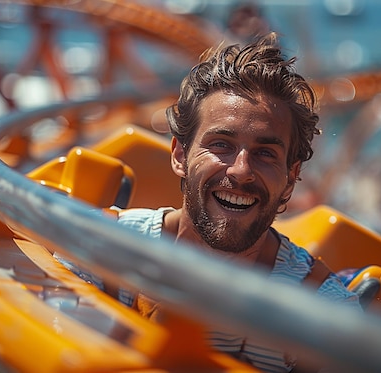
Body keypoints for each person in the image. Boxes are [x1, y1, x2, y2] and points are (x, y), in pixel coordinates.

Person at [60, 32, 361, 372]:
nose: (242, 170)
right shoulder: (99, 250)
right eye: (221, 144)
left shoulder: (322, 309)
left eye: (265, 153)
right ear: (179, 154)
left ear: (291, 176)